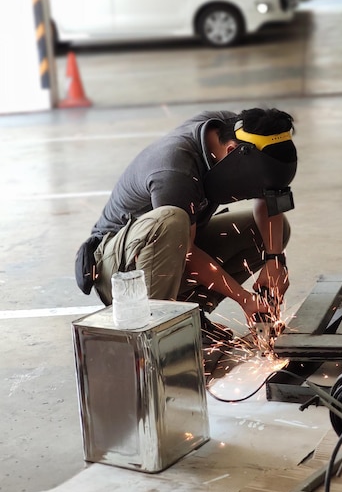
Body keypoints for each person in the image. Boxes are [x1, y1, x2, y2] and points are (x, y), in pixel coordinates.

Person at [75, 107, 297, 344]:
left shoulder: (232, 131)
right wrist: (245, 299)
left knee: (271, 231)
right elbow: (187, 252)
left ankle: (189, 314)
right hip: (120, 272)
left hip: (172, 245)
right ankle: (163, 335)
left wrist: (275, 260)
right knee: (172, 220)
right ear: (233, 151)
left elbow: (268, 198)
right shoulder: (175, 169)